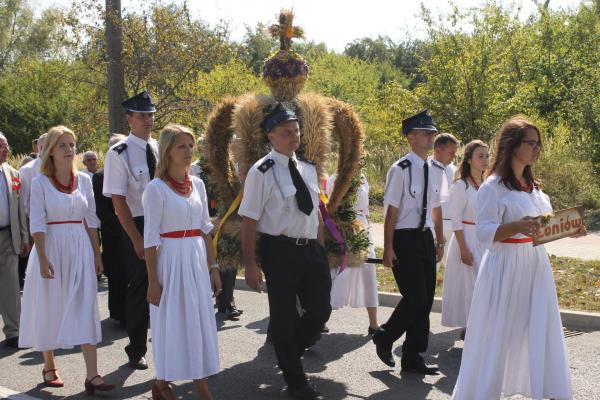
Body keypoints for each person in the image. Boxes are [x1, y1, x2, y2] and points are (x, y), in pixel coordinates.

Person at [451, 116, 573, 400]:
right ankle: (484, 393)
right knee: (499, 334)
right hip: (505, 267)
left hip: (535, 265)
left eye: (538, 143)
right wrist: (517, 226)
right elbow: (483, 232)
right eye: (531, 143)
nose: (537, 148)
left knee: (539, 327)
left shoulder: (535, 187)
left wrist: (568, 227)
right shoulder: (493, 187)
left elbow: (542, 228)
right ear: (512, 145)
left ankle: (546, 389)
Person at [240, 103, 331, 400]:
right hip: (279, 250)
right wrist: (251, 265)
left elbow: (314, 212)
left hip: (310, 251)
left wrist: (319, 245)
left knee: (320, 311)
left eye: (297, 131)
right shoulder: (261, 171)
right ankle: (296, 382)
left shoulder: (307, 168)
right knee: (283, 316)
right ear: (272, 136)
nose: (294, 137)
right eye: (287, 132)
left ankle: (288, 350)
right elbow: (250, 220)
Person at [18, 126, 114, 393]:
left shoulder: (84, 180)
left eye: (72, 145)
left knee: (85, 305)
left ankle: (93, 375)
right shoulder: (39, 183)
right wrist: (44, 256)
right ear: (50, 150)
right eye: (63, 145)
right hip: (51, 248)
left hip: (80, 247)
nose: (70, 150)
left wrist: (97, 254)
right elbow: (37, 223)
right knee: (50, 305)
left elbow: (91, 220)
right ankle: (49, 365)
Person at [143, 124, 221, 400]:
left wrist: (214, 268)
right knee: (170, 321)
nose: (188, 151)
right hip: (170, 260)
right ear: (167, 151)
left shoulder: (197, 184)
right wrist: (153, 281)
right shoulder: (155, 189)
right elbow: (150, 239)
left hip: (196, 258)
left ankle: (189, 384)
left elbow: (205, 229)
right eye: (181, 146)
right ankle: (166, 382)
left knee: (197, 320)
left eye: (190, 145)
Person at [372, 109, 444, 375]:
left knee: (425, 301)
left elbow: (436, 208)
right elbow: (391, 212)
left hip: (425, 238)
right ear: (410, 137)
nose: (430, 138)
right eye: (425, 133)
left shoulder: (436, 169)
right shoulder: (399, 169)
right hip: (404, 238)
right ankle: (385, 336)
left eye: (432, 133)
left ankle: (413, 356)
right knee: (415, 298)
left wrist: (440, 240)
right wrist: (388, 247)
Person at [103, 90, 158, 370]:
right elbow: (118, 201)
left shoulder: (160, 147)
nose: (148, 120)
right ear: (130, 119)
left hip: (163, 223)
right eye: (142, 115)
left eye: (150, 114)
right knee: (141, 287)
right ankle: (136, 348)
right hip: (137, 223)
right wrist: (136, 238)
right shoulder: (119, 153)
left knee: (165, 282)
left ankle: (163, 339)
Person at [440, 140, 489, 340]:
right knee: (470, 286)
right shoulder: (461, 185)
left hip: (485, 239)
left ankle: (481, 328)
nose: (485, 160)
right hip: (467, 237)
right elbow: (456, 219)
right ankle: (471, 329)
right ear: (469, 160)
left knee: (485, 285)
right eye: (480, 156)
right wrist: (463, 248)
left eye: (487, 156)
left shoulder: (488, 185)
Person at [190, 139, 243, 320]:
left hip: (226, 220)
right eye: (206, 148)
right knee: (208, 264)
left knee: (229, 262)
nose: (210, 151)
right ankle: (206, 302)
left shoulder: (227, 168)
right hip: (204, 222)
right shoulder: (195, 169)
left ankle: (227, 301)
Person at [326, 173, 379, 335]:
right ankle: (320, 319)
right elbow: (332, 206)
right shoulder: (335, 178)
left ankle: (373, 323)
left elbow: (366, 207)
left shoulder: (363, 177)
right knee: (336, 274)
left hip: (362, 227)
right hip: (344, 228)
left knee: (369, 273)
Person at [93, 134, 128, 325]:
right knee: (117, 275)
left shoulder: (130, 171)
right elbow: (101, 208)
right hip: (113, 234)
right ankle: (119, 313)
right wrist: (121, 224)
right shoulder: (100, 176)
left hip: (131, 231)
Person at [0, 132, 29, 348]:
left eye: (6, 145)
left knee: (10, 285)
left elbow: (20, 209)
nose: (5, 149)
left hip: (8, 236)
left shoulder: (13, 174)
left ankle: (13, 331)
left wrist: (23, 237)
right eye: (1, 146)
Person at [432, 132, 459, 265]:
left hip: (453, 225)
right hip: (434, 225)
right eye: (451, 153)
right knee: (432, 266)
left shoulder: (455, 170)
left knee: (452, 267)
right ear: (438, 150)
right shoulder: (427, 169)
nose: (453, 157)